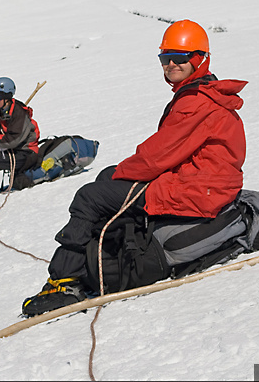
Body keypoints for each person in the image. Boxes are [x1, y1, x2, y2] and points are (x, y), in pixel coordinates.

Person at [21, 19, 247, 316]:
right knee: (106, 182)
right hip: (203, 183)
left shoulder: (196, 102)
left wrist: (117, 176)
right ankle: (103, 257)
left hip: (197, 191)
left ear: (199, 59)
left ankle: (65, 281)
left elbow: (156, 157)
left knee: (90, 196)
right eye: (165, 58)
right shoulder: (203, 94)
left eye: (179, 58)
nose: (170, 65)